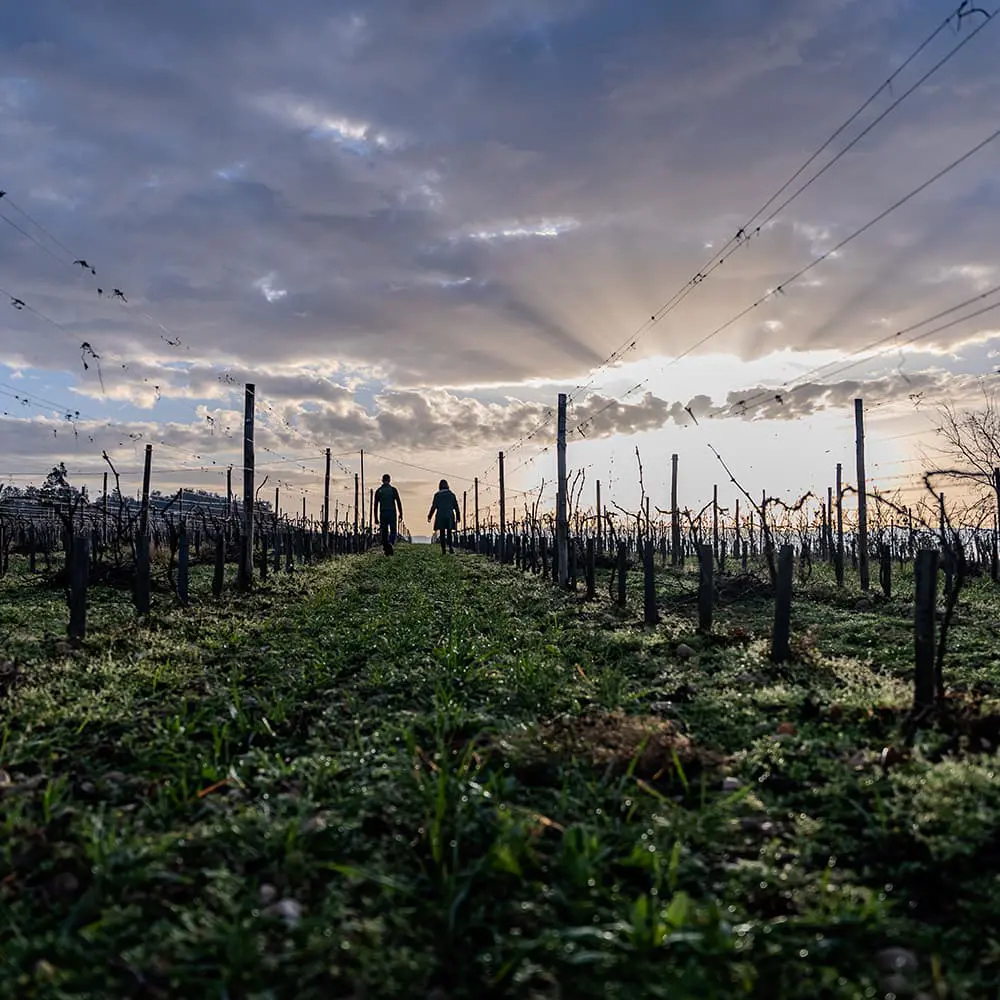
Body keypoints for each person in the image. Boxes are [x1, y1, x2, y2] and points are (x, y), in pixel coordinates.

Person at [428, 479, 461, 554]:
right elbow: (456, 507)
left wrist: (429, 516)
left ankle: (443, 550)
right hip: (449, 515)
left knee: (442, 532)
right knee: (449, 532)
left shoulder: (437, 495)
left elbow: (433, 507)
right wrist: (458, 517)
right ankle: (450, 547)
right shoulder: (452, 495)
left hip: (440, 516)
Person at [373, 474, 403, 555]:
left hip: (383, 513)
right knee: (393, 530)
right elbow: (398, 502)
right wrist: (401, 514)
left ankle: (386, 547)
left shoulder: (379, 491)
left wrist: (375, 518)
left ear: (382, 480)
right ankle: (390, 543)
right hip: (392, 513)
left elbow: (375, 506)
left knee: (384, 531)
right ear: (389, 480)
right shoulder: (393, 490)